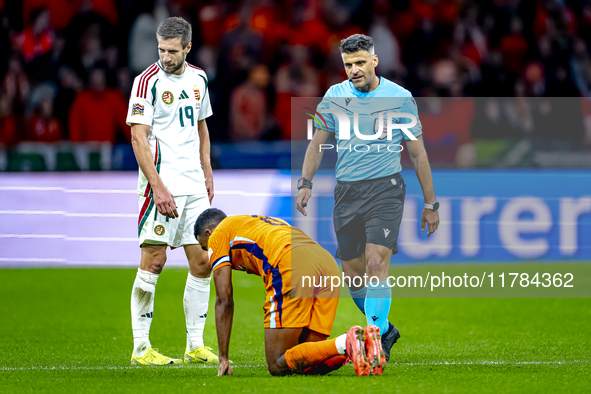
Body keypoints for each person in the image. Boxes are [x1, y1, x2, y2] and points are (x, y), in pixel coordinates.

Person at [295, 34, 440, 362]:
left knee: (377, 263)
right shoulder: (334, 96)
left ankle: (374, 344)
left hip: (385, 189)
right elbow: (317, 143)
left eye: (360, 62)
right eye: (348, 65)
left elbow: (417, 154)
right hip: (346, 191)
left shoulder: (399, 97)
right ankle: (385, 328)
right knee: (353, 272)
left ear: (375, 61)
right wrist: (305, 182)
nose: (354, 70)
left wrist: (431, 203)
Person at [194, 208, 386, 376]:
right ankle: (362, 345)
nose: (207, 253)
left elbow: (224, 300)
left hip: (290, 262)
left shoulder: (219, 234)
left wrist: (223, 359)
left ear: (209, 232)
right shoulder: (259, 222)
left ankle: (348, 341)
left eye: (205, 247)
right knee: (307, 362)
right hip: (325, 262)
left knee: (277, 364)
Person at [126, 16, 217, 366]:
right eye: (161, 50)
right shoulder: (145, 82)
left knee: (202, 262)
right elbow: (138, 137)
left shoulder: (199, 79)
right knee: (155, 260)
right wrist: (158, 187)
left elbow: (201, 124)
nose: (165, 57)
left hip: (193, 183)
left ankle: (195, 345)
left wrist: (206, 168)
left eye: (172, 51)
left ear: (187, 48)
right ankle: (141, 349)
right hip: (162, 183)